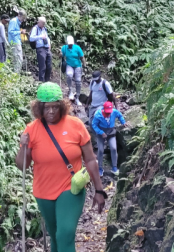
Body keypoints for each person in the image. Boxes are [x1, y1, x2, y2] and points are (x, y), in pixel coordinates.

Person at [16, 83, 106, 252]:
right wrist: (23, 147)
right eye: (46, 107)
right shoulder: (32, 129)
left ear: (62, 106)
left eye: (55, 107)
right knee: (55, 234)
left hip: (70, 188)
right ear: (39, 108)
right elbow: (23, 166)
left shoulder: (75, 125)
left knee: (65, 233)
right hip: (43, 191)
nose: (51, 112)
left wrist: (99, 190)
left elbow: (91, 160)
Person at [91, 101, 127, 176]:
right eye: (107, 112)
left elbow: (119, 115)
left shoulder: (114, 112)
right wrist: (101, 132)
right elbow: (94, 125)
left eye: (109, 112)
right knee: (100, 150)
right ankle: (100, 168)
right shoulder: (98, 115)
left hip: (111, 132)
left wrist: (123, 122)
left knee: (114, 148)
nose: (108, 114)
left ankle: (114, 167)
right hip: (101, 133)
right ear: (103, 109)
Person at [61, 35, 86, 105]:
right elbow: (61, 56)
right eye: (69, 44)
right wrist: (60, 54)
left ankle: (77, 97)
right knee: (69, 75)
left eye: (71, 44)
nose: (70, 45)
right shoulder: (64, 48)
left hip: (77, 65)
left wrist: (84, 65)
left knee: (78, 81)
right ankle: (70, 91)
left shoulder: (77, 48)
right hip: (69, 65)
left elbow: (82, 57)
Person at [30, 16, 52, 82]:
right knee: (42, 67)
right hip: (40, 48)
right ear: (39, 22)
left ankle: (47, 81)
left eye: (44, 23)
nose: (43, 24)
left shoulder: (44, 29)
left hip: (47, 48)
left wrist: (49, 43)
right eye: (42, 23)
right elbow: (31, 38)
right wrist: (40, 37)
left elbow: (47, 37)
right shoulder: (35, 28)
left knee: (49, 66)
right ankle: (41, 82)